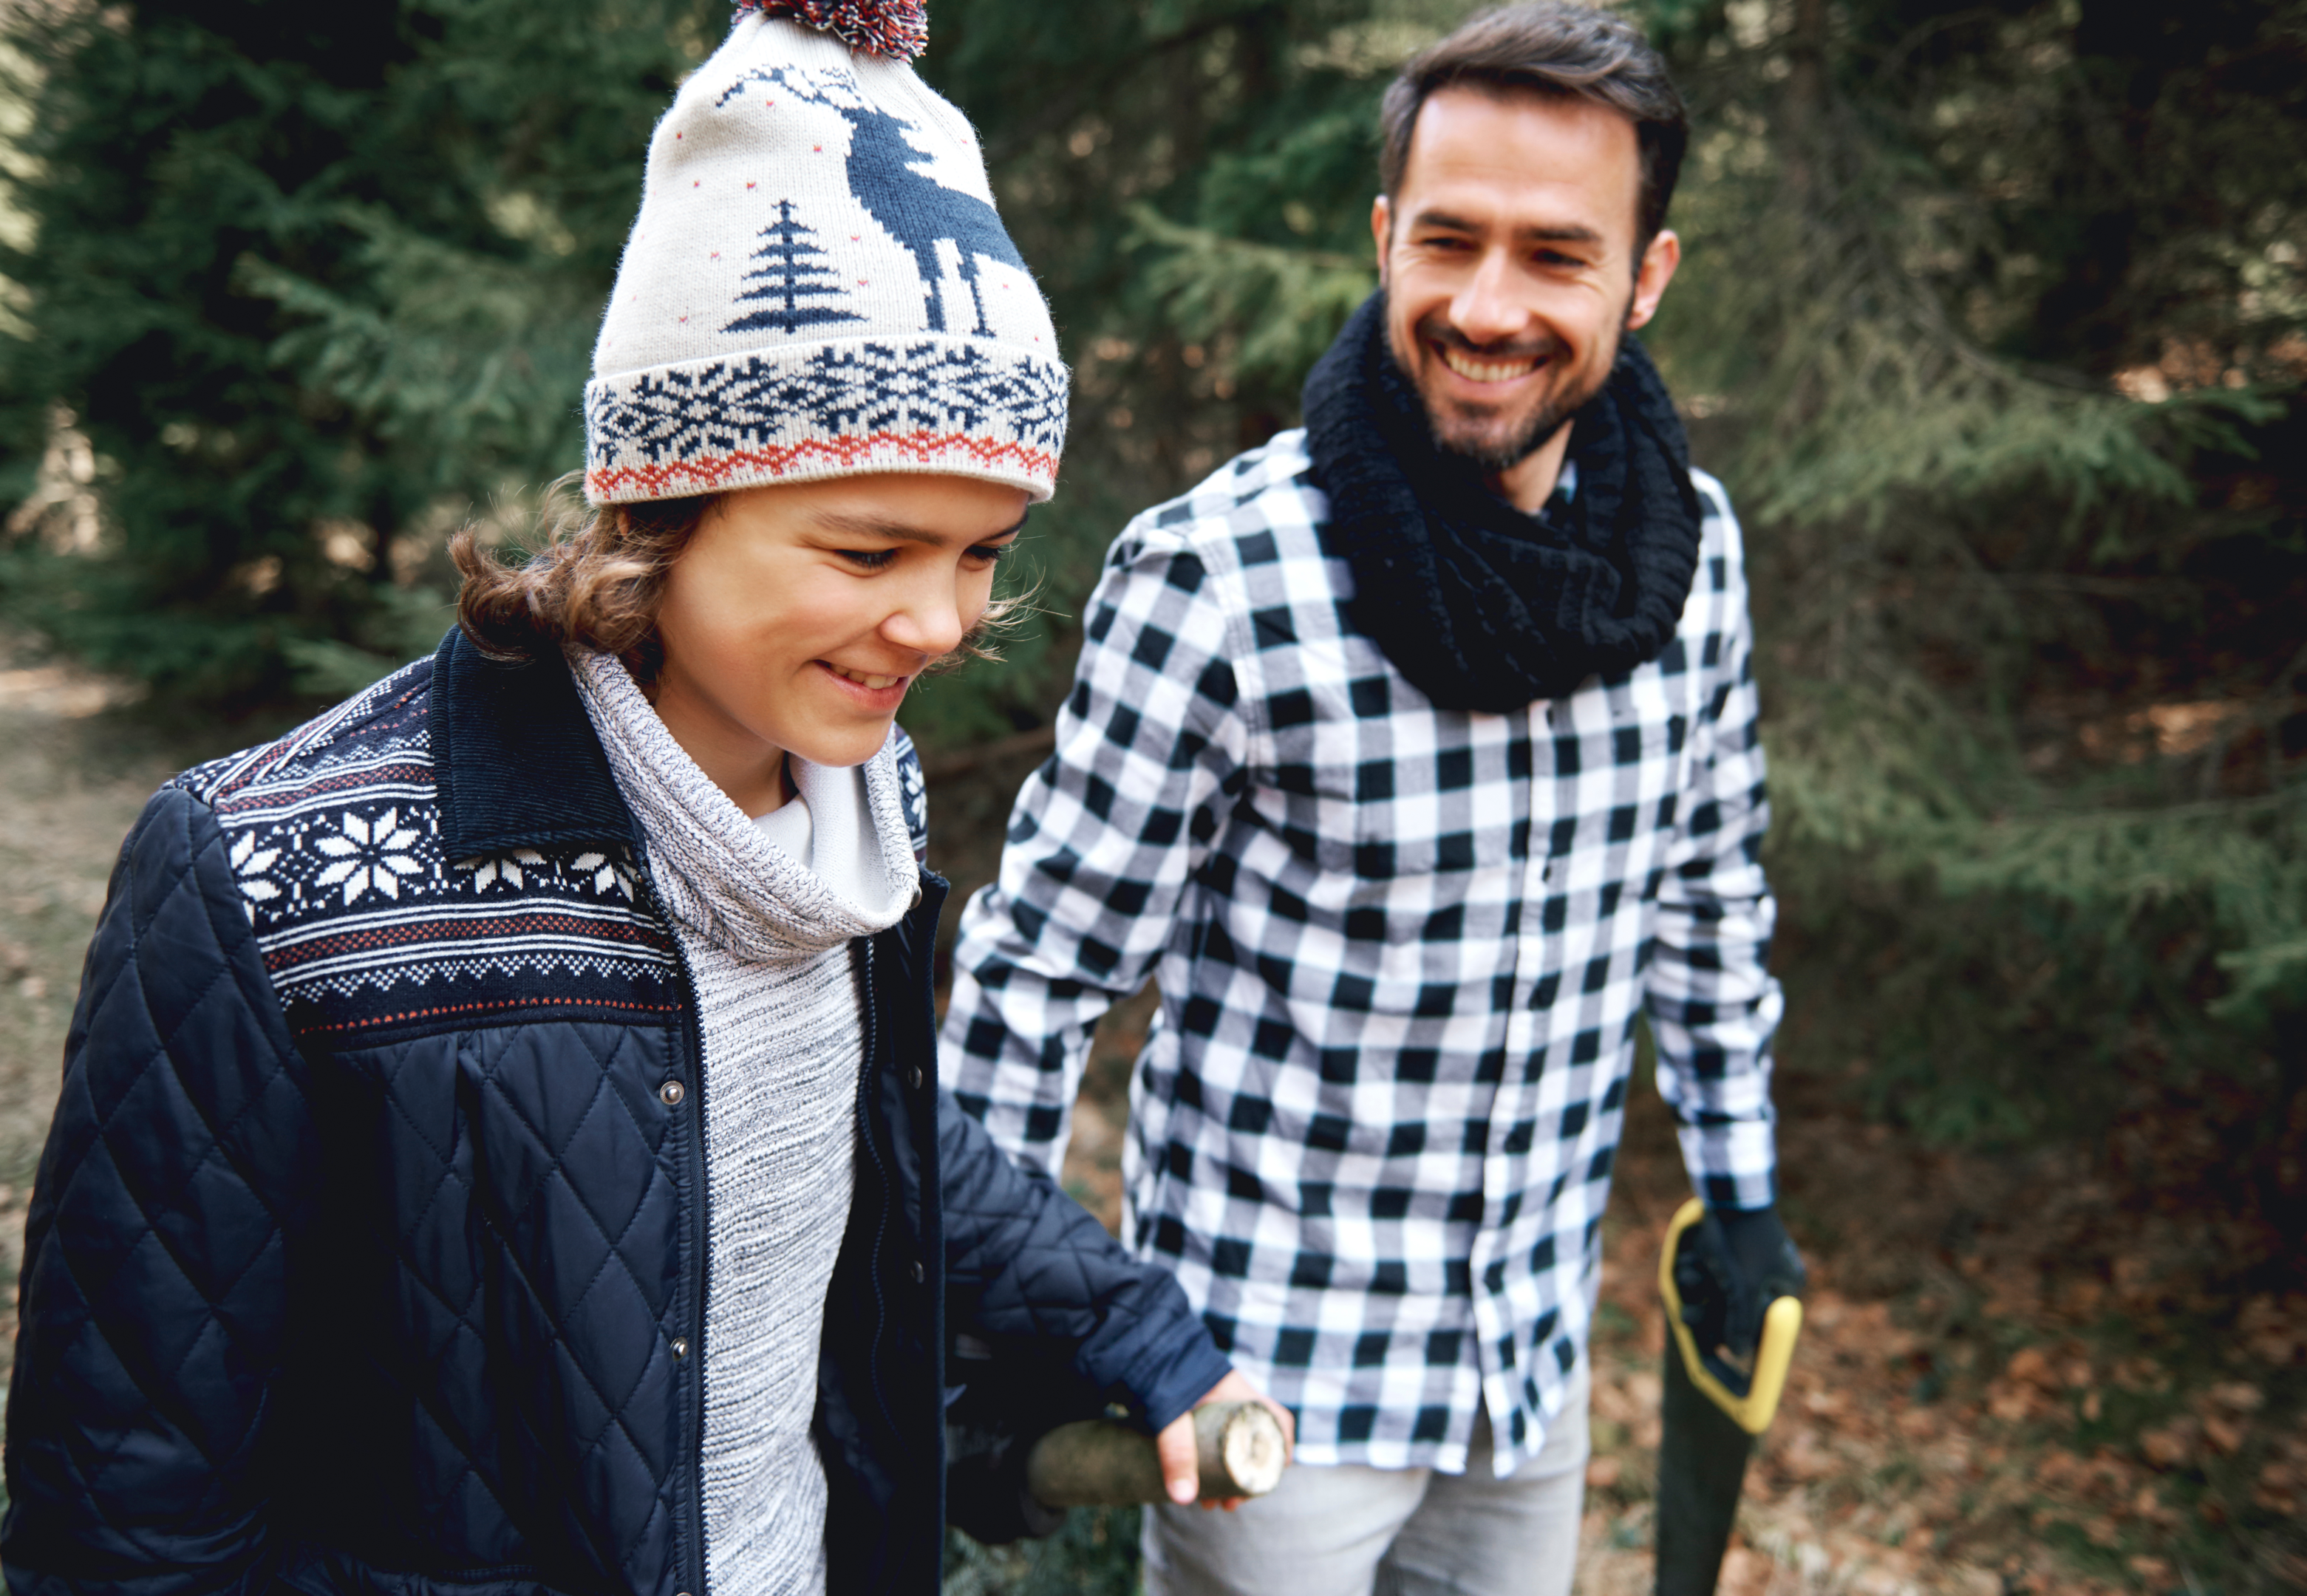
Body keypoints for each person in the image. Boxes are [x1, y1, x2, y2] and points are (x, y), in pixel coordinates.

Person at [1, 4, 1278, 1592]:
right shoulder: (265, 878)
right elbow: (126, 1511)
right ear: (662, 509)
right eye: (869, 551)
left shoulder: (849, 804)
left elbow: (859, 1129)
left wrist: (1139, 1332)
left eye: (980, 555)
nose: (943, 625)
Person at [941, 4, 1804, 1592]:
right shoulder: (1223, 576)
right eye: (1449, 241)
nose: (1487, 307)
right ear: (1384, 235)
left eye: (1555, 255)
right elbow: (1035, 977)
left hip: (1526, 1373)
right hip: (1262, 1394)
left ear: (1647, 275)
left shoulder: (1694, 549)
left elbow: (1707, 894)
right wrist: (995, 1324)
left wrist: (1738, 1192)